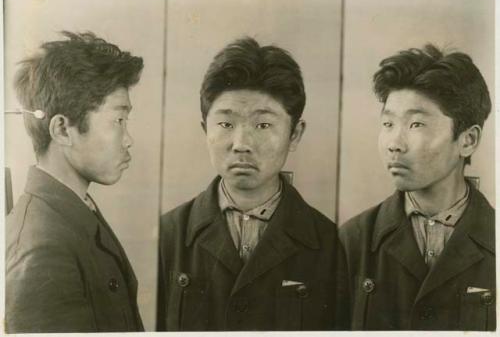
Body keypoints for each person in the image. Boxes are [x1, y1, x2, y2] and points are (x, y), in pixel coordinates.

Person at [156, 37, 348, 331]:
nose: (241, 144)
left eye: (263, 125)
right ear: (204, 129)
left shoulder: (331, 244)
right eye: (226, 124)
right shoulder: (168, 235)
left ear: (295, 134)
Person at [340, 44, 494, 330]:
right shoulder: (351, 241)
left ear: (468, 140)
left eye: (416, 124)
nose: (394, 143)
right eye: (388, 123)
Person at [6, 31, 144, 332]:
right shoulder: (43, 250)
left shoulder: (73, 211)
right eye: (118, 120)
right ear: (63, 130)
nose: (129, 139)